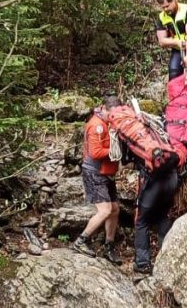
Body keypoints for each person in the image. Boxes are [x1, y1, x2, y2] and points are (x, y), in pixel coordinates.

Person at [71, 95, 124, 265]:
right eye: (111, 114)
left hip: (107, 172)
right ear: (104, 108)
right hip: (95, 172)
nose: (113, 118)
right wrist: (114, 150)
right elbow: (95, 152)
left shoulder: (110, 122)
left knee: (115, 209)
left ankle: (109, 245)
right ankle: (81, 241)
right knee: (105, 210)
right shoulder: (96, 126)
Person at [132, 160, 180, 274]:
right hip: (172, 178)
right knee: (164, 216)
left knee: (141, 221)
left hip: (153, 180)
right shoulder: (168, 144)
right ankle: (166, 259)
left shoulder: (149, 143)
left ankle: (143, 263)